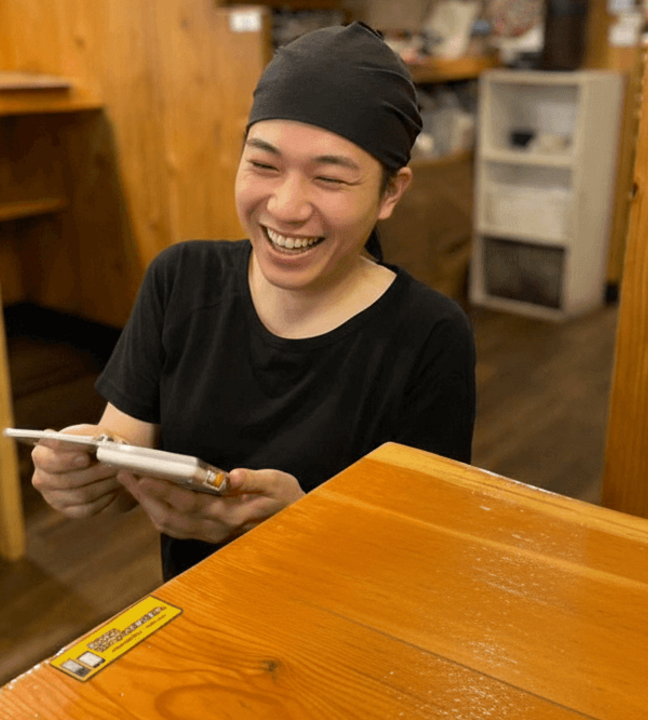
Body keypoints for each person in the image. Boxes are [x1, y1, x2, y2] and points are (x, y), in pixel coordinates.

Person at [30, 22, 476, 580]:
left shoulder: (430, 336)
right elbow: (125, 454)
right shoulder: (180, 280)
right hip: (196, 608)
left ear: (391, 193)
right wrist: (85, 472)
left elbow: (427, 554)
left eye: (330, 179)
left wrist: (303, 524)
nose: (286, 207)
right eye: (264, 165)